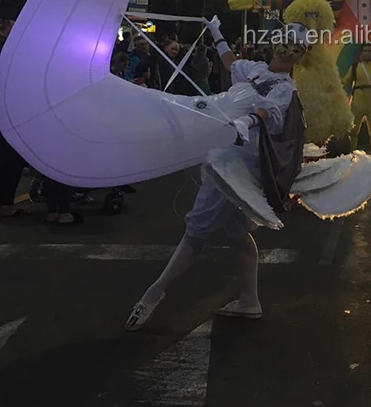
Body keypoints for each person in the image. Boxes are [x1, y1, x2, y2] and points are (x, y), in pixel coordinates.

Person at [125, 17, 309, 331]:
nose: (288, 53)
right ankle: (250, 300)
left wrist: (248, 122)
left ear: (300, 56)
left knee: (196, 231)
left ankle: (154, 293)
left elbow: (268, 112)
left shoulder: (284, 89)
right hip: (228, 159)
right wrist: (216, 32)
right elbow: (230, 63)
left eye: (297, 50)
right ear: (276, 44)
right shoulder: (256, 69)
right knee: (238, 234)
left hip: (236, 166)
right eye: (286, 45)